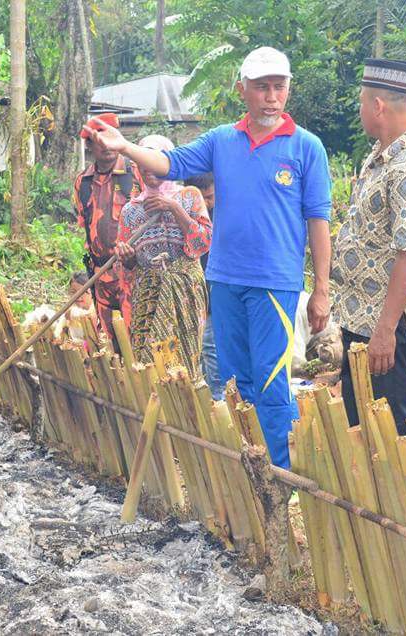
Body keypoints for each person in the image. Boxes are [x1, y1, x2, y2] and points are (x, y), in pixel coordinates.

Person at [84, 46, 333, 469]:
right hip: (223, 279)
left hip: (275, 281)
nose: (271, 97)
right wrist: (124, 146)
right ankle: (244, 463)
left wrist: (322, 290)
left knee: (272, 382)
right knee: (235, 382)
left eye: (279, 87)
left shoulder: (307, 148)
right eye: (261, 88)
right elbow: (168, 162)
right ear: (243, 90)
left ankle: (281, 472)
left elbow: (318, 219)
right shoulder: (222, 141)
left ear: (288, 90)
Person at [332, 59, 406, 434]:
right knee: (360, 424)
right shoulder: (381, 154)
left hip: (387, 324)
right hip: (363, 315)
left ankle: (399, 495)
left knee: (391, 429)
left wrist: (385, 330)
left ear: (377, 106)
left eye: (363, 102)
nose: (361, 110)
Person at [114, 135, 212, 379]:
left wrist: (174, 207)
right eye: (144, 166)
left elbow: (203, 243)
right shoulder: (131, 210)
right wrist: (127, 258)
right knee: (150, 360)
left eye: (157, 163)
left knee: (186, 361)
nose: (151, 172)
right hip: (149, 292)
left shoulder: (189, 196)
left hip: (185, 288)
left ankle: (186, 412)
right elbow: (129, 268)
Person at [72, 113, 145, 344]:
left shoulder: (134, 174)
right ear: (89, 145)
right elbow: (85, 225)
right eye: (99, 140)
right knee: (108, 342)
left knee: (137, 338)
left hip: (132, 272)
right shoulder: (82, 182)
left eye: (110, 137)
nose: (106, 145)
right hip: (101, 277)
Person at [184, 172, 225, 400]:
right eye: (202, 198)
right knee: (200, 351)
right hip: (197, 296)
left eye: (210, 197)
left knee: (212, 349)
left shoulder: (224, 214)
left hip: (219, 295)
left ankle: (219, 398)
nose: (207, 203)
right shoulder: (185, 216)